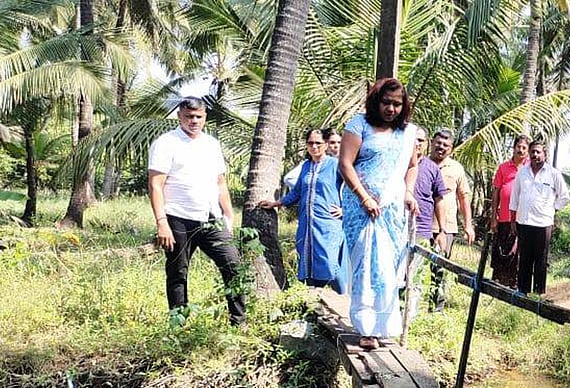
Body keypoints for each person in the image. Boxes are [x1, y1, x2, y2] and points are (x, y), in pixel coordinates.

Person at [338, 78, 421, 350]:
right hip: (361, 210)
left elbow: (412, 166)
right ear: (376, 101)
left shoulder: (407, 133)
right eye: (386, 102)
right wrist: (364, 197)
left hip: (391, 211)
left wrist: (408, 193)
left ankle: (384, 326)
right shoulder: (358, 125)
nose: (391, 109)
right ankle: (367, 328)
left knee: (387, 268)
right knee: (367, 266)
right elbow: (345, 165)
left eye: (397, 104)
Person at [148, 96, 246, 325]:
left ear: (205, 117)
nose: (193, 121)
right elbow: (155, 185)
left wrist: (229, 215)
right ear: (179, 116)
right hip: (178, 218)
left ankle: (239, 322)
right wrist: (162, 222)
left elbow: (220, 183)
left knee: (233, 266)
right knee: (178, 273)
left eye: (198, 117)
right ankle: (179, 325)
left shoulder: (211, 144)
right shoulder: (166, 143)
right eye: (189, 116)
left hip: (211, 218)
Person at [257, 128, 347, 293]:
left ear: (326, 144)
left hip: (328, 224)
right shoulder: (306, 166)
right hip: (307, 225)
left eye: (318, 143)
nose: (314, 147)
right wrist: (276, 203)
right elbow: (297, 192)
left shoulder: (335, 165)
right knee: (308, 265)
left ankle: (344, 298)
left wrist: (345, 210)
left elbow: (353, 187)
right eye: (310, 143)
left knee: (330, 264)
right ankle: (313, 299)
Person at [509, 141, 569, 294]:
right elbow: (514, 197)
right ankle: (522, 290)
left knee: (541, 259)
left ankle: (538, 292)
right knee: (524, 258)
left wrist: (552, 209)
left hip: (543, 223)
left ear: (545, 154)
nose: (535, 155)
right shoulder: (522, 173)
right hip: (524, 221)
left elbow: (564, 197)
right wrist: (513, 220)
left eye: (538, 152)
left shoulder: (553, 174)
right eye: (532, 152)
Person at [428, 128, 475, 311]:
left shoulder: (456, 169)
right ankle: (410, 306)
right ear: (431, 143)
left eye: (445, 145)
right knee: (414, 267)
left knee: (439, 268)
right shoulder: (420, 164)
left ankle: (436, 309)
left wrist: (468, 225)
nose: (441, 147)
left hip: (446, 227)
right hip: (421, 224)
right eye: (438, 143)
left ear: (451, 148)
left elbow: (464, 198)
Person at [409, 126, 450, 313]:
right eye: (414, 139)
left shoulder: (432, 169)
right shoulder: (399, 162)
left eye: (420, 140)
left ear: (426, 144)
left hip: (422, 230)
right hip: (396, 227)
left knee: (415, 276)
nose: (417, 143)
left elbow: (439, 200)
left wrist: (442, 231)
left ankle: (408, 316)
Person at [490, 135, 529, 288]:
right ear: (513, 148)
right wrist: (493, 217)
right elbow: (496, 193)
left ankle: (515, 284)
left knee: (518, 253)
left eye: (524, 148)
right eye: (519, 147)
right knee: (502, 250)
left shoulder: (530, 168)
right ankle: (499, 282)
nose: (521, 150)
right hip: (504, 217)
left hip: (523, 219)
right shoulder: (503, 167)